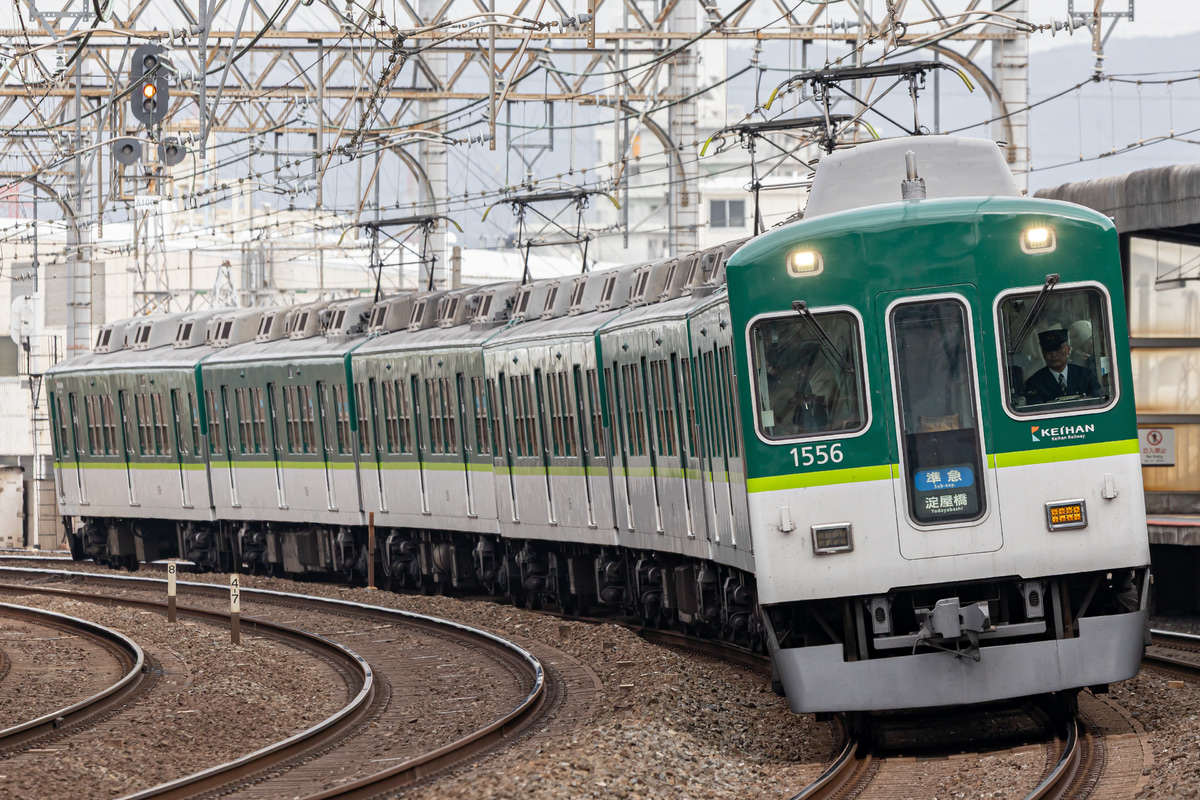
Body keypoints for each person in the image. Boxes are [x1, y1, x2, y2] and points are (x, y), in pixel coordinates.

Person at [1024, 328, 1101, 404]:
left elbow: (1098, 398)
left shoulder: (1085, 375)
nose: (1054, 355)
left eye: (1058, 350)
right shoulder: (1034, 383)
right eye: (1049, 351)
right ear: (1043, 354)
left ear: (1068, 350)